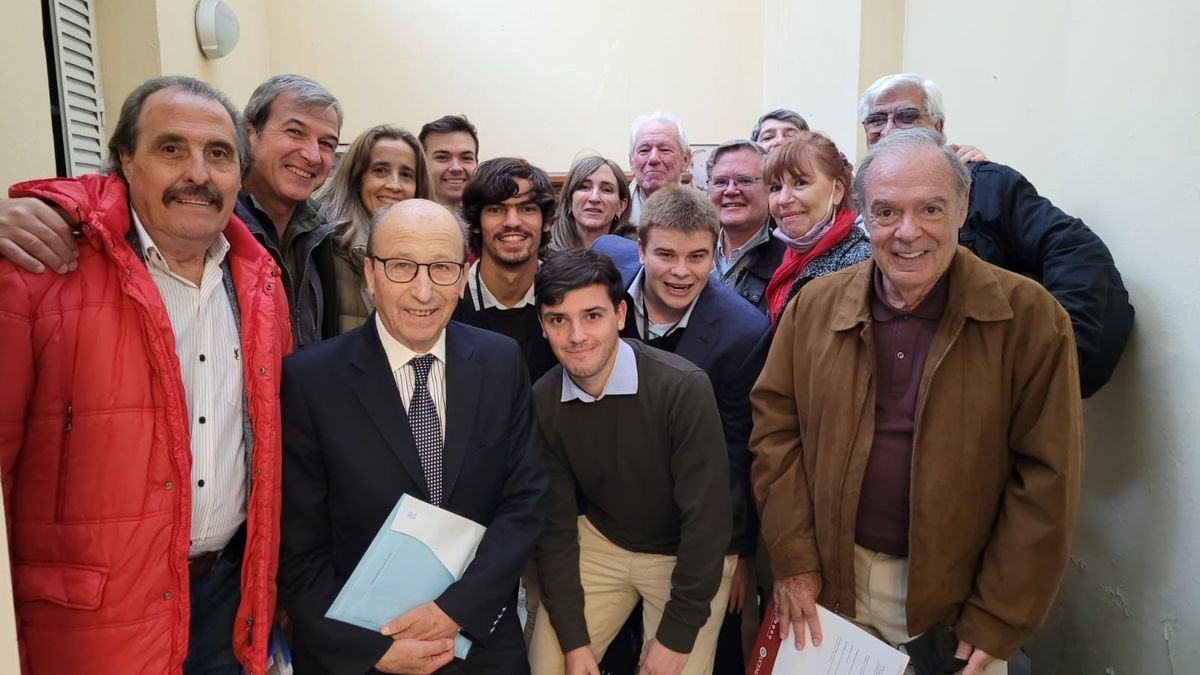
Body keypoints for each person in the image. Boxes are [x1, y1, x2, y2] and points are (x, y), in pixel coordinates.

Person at [752, 128, 1084, 675]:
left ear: (963, 208)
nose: (909, 233)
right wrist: (792, 559)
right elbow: (774, 431)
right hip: (831, 583)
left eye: (931, 208)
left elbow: (1046, 481)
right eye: (886, 212)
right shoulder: (815, 306)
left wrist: (1001, 616)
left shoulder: (1031, 320)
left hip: (958, 595)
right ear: (861, 214)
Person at [0, 76, 291, 674]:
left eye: (218, 154)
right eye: (170, 148)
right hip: (93, 617)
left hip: (229, 599)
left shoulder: (263, 285)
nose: (198, 174)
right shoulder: (42, 271)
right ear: (124, 162)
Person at [277, 199, 547, 674]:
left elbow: (524, 502)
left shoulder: (501, 362)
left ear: (464, 276)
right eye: (401, 266)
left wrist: (454, 611)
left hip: (479, 639)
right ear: (370, 274)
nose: (424, 291)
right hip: (364, 646)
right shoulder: (311, 381)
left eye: (442, 268)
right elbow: (299, 546)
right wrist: (370, 650)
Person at [0, 73, 345, 348]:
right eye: (295, 132)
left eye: (326, 144)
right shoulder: (196, 216)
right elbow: (105, 197)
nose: (312, 155)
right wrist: (46, 204)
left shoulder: (322, 235)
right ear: (248, 133)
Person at [859, 73, 1134, 396]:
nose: (889, 128)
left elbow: (1075, 250)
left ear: (937, 126)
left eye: (906, 116)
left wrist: (1058, 354)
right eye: (876, 119)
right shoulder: (862, 197)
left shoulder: (987, 186)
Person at [592, 185, 771, 675]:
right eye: (665, 254)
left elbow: (738, 449)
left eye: (697, 257)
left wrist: (734, 554)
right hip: (603, 511)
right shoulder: (606, 264)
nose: (680, 271)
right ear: (640, 246)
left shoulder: (743, 332)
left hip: (683, 518)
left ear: (715, 251)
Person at [528, 249, 734, 675]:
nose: (576, 336)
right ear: (543, 327)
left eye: (592, 316)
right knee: (546, 665)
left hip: (685, 553)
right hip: (606, 539)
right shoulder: (544, 401)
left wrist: (675, 640)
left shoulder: (683, 388)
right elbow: (556, 527)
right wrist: (574, 642)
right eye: (558, 319)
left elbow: (708, 522)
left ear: (620, 315)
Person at [314, 124, 432, 332]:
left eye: (406, 175)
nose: (394, 185)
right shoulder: (324, 247)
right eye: (380, 171)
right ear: (356, 178)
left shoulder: (430, 255)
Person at [454, 157, 558, 381]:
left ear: (546, 221)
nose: (512, 222)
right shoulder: (449, 301)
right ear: (476, 224)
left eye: (527, 208)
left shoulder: (566, 298)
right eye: (496, 210)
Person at [761, 132, 872, 327]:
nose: (783, 199)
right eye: (775, 188)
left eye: (800, 183)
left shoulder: (859, 263)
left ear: (837, 191)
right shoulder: (789, 256)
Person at [706, 140, 786, 313]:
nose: (730, 190)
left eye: (744, 181)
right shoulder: (691, 251)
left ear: (770, 188)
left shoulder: (788, 262)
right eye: (720, 182)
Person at [548, 155, 634, 251]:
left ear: (621, 206)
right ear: (569, 201)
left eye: (606, 190)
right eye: (585, 187)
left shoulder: (638, 257)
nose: (594, 198)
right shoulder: (541, 254)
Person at [628, 112, 692, 224]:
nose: (653, 159)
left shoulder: (702, 217)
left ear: (685, 160)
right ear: (631, 163)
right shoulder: (613, 214)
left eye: (664, 149)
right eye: (644, 150)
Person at [420, 114, 480, 212]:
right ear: (422, 164)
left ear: (476, 164)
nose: (456, 168)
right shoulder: (403, 218)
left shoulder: (491, 220)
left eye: (466, 158)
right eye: (442, 157)